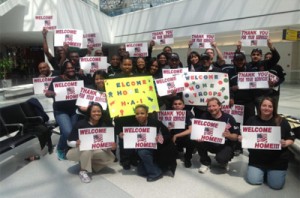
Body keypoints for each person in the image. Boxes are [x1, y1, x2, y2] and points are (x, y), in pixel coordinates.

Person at [242, 97, 294, 190]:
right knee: (253, 181)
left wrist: (285, 143)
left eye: (270, 106)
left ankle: (271, 173)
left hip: (277, 160)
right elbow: (245, 135)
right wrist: (242, 138)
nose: (267, 108)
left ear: (274, 108)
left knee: (276, 186)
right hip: (257, 159)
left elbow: (291, 138)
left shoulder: (282, 121)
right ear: (260, 107)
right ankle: (262, 172)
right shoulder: (252, 120)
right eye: (264, 105)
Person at [121, 104, 176, 181]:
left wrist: (161, 138)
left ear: (147, 114)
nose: (139, 115)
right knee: (141, 172)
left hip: (159, 149)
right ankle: (155, 167)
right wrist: (124, 136)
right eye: (137, 114)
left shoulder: (156, 123)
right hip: (145, 150)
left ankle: (156, 173)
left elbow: (168, 135)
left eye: (142, 113)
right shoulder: (133, 125)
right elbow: (130, 143)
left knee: (142, 152)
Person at [66, 103, 116, 183]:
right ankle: (83, 171)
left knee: (111, 157)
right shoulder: (81, 124)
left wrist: (110, 147)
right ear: (89, 112)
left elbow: (104, 145)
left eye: (99, 111)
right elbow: (68, 142)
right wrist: (76, 143)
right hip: (76, 151)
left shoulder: (104, 124)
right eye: (94, 111)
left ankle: (87, 163)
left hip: (95, 149)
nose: (97, 113)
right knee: (87, 149)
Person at [45, 61, 82, 160]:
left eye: (72, 68)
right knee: (67, 131)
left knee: (72, 131)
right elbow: (47, 93)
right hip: (61, 111)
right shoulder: (57, 79)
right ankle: (60, 148)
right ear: (64, 69)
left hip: (74, 110)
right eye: (68, 68)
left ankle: (67, 148)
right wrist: (51, 93)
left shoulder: (77, 78)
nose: (71, 70)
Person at [222, 52, 256, 156]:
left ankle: (250, 146)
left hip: (249, 102)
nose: (239, 62)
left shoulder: (251, 70)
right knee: (236, 125)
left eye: (241, 60)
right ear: (234, 61)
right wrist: (231, 95)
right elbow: (226, 86)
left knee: (249, 124)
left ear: (245, 60)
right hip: (236, 103)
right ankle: (237, 146)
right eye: (237, 60)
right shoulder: (230, 72)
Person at [195, 97, 239, 173]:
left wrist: (229, 135)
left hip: (224, 145)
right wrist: (198, 136)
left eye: (214, 106)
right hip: (209, 142)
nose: (211, 108)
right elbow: (198, 131)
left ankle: (224, 161)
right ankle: (205, 162)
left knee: (221, 159)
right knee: (196, 140)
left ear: (220, 106)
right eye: (209, 106)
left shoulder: (229, 118)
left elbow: (236, 137)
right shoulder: (204, 116)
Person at [170, 96, 195, 168]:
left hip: (183, 137)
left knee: (191, 138)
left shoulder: (188, 113)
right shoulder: (167, 114)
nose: (177, 105)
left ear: (183, 105)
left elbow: (191, 129)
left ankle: (187, 158)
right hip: (172, 137)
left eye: (179, 104)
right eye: (175, 104)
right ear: (172, 105)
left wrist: (177, 135)